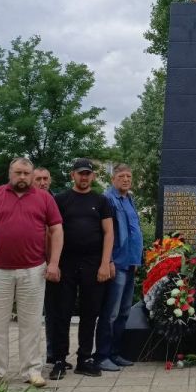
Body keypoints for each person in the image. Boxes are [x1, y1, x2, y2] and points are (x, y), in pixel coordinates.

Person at [0, 157, 63, 387]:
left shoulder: (44, 198)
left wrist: (53, 263)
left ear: (32, 175)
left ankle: (32, 370)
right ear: (10, 173)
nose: (22, 177)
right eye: (18, 172)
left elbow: (57, 230)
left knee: (31, 323)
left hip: (33, 270)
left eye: (26, 173)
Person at [48, 158, 115, 379]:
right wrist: (53, 263)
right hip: (65, 263)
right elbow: (51, 232)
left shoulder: (101, 200)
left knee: (90, 313)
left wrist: (105, 263)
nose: (84, 177)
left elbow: (108, 233)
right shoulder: (61, 200)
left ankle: (84, 358)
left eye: (87, 174)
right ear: (72, 175)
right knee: (62, 312)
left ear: (93, 176)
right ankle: (59, 359)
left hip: (93, 264)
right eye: (80, 173)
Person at [94, 164, 144, 371]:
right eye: (121, 176)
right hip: (117, 262)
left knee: (124, 312)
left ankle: (115, 353)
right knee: (110, 313)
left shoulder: (129, 199)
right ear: (113, 178)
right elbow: (104, 233)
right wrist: (109, 261)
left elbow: (134, 231)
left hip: (131, 262)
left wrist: (137, 259)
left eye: (129, 176)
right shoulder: (107, 199)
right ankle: (102, 355)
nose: (126, 179)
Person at [32, 166, 63, 367]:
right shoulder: (27, 201)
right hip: (31, 263)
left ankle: (53, 354)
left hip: (53, 264)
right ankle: (32, 357)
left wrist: (55, 262)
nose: (43, 183)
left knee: (54, 311)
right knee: (33, 314)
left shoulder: (57, 201)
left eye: (46, 178)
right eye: (39, 179)